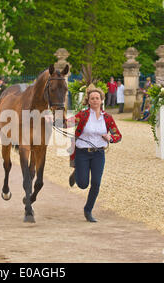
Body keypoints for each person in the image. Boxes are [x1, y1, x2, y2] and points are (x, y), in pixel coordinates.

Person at [63, 85, 122, 222]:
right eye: (92, 98)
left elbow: (118, 135)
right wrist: (52, 119)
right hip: (82, 153)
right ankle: (77, 171)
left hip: (98, 154)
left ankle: (88, 210)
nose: (95, 100)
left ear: (102, 100)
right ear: (88, 101)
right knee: (83, 184)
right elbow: (67, 124)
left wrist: (110, 138)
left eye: (97, 98)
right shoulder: (82, 115)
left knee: (96, 183)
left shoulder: (107, 118)